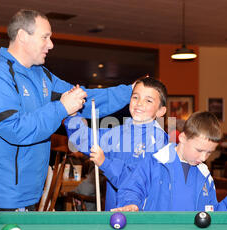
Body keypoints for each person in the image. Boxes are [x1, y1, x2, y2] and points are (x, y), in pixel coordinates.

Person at [0, 9, 133, 211]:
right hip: (1, 196)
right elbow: (14, 128)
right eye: (45, 37)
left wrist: (131, 92)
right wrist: (62, 108)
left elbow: (84, 98)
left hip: (30, 192)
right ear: (22, 36)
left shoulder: (41, 75)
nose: (51, 44)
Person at [112, 111, 227, 212]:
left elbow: (212, 215)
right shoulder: (154, 162)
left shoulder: (204, 175)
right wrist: (130, 204)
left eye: (209, 152)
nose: (204, 158)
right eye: (199, 150)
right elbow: (132, 189)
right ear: (182, 138)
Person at [64, 77, 169, 210]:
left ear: (160, 111)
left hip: (141, 218)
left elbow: (136, 181)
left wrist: (105, 163)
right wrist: (73, 113)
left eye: (148, 100)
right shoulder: (119, 132)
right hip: (115, 213)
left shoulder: (158, 140)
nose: (139, 103)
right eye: (135, 97)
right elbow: (83, 139)